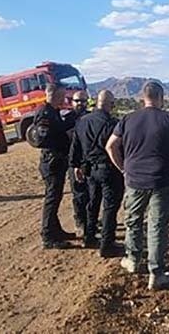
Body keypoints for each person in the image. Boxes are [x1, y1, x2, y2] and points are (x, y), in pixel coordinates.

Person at [106, 81, 169, 290]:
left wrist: (123, 168)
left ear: (142, 98)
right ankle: (155, 273)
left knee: (133, 221)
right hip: (162, 181)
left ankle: (132, 260)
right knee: (157, 226)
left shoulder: (128, 119)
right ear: (161, 98)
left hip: (134, 180)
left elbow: (110, 146)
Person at [69, 90, 123, 256]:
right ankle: (107, 245)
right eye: (112, 104)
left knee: (92, 204)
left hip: (90, 170)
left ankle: (89, 237)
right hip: (109, 170)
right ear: (109, 104)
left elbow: (75, 145)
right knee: (109, 207)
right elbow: (120, 148)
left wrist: (75, 165)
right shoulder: (113, 123)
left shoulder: (82, 121)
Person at [32, 83, 74, 249]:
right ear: (54, 95)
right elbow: (41, 139)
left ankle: (56, 230)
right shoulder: (45, 112)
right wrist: (63, 134)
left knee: (56, 197)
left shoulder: (54, 112)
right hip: (51, 161)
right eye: (62, 95)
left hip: (57, 160)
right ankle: (48, 235)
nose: (64, 98)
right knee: (52, 198)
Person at [65, 90, 90, 237]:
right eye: (77, 101)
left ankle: (90, 221)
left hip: (89, 162)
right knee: (79, 194)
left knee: (91, 194)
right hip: (74, 162)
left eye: (83, 101)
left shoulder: (91, 117)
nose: (80, 104)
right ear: (71, 102)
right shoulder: (67, 119)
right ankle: (80, 222)